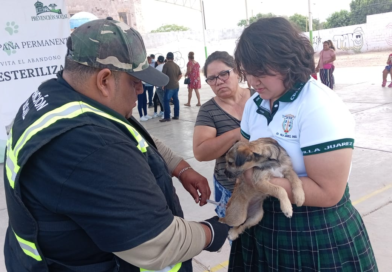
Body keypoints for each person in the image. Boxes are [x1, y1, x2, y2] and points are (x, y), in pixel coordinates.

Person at [3, 17, 229, 272]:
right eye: (135, 81)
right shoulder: (90, 147)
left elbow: (136, 136)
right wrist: (213, 230)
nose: (141, 90)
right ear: (104, 80)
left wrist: (180, 168)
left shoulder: (55, 97)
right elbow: (157, 243)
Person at [229, 17, 378, 271]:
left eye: (262, 71)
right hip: (265, 225)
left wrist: (258, 181)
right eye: (249, 72)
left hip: (312, 229)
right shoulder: (255, 106)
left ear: (287, 61)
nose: (254, 82)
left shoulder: (318, 105)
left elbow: (329, 192)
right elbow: (244, 158)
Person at [193, 51, 254, 217]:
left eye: (223, 74)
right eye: (212, 78)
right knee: (237, 239)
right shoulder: (208, 111)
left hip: (267, 186)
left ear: (236, 72)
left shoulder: (260, 98)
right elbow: (200, 152)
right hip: (230, 189)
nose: (218, 82)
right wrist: (236, 134)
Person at [160, 52, 182, 122]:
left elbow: (163, 76)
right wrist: (176, 80)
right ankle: (176, 115)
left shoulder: (166, 65)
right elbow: (180, 75)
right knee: (176, 100)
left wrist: (163, 84)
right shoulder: (176, 65)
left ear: (166, 58)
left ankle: (167, 117)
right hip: (176, 86)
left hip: (169, 86)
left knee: (166, 101)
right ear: (173, 58)